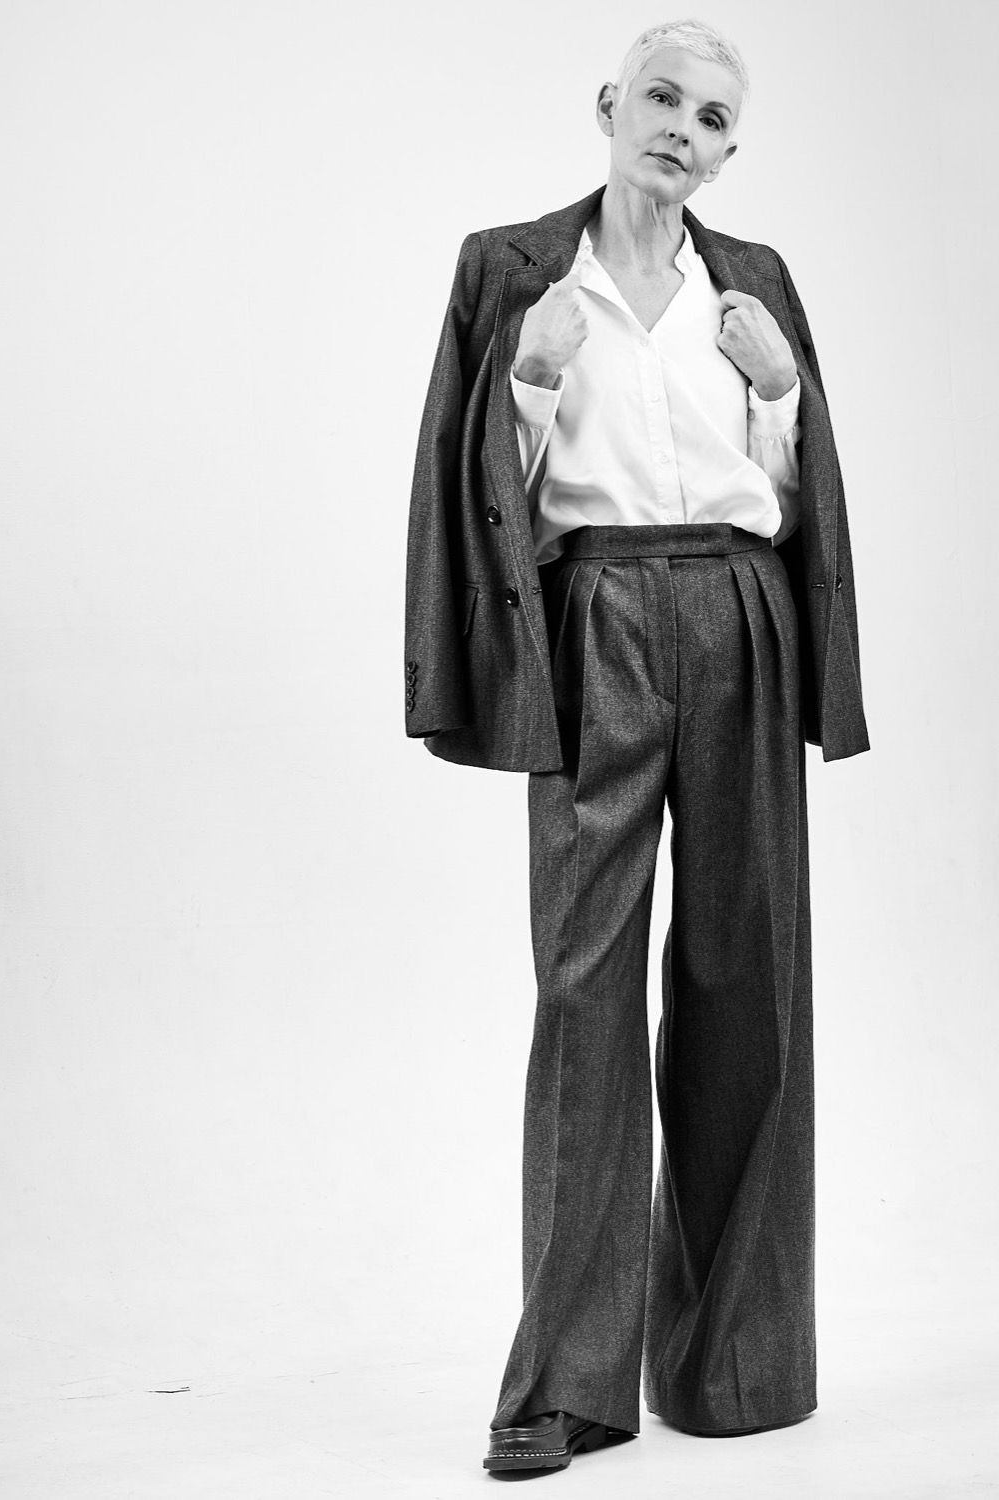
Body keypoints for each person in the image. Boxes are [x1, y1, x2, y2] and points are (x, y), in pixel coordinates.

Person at [403, 16, 870, 1477]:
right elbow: (471, 493)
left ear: (730, 150)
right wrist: (532, 379)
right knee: (583, 990)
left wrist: (780, 390)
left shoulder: (756, 284)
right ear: (610, 104)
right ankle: (568, 1385)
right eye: (663, 98)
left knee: (747, 983)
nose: (683, 129)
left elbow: (792, 496)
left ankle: (736, 1367)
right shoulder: (514, 271)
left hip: (739, 611)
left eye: (714, 117)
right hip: (593, 612)